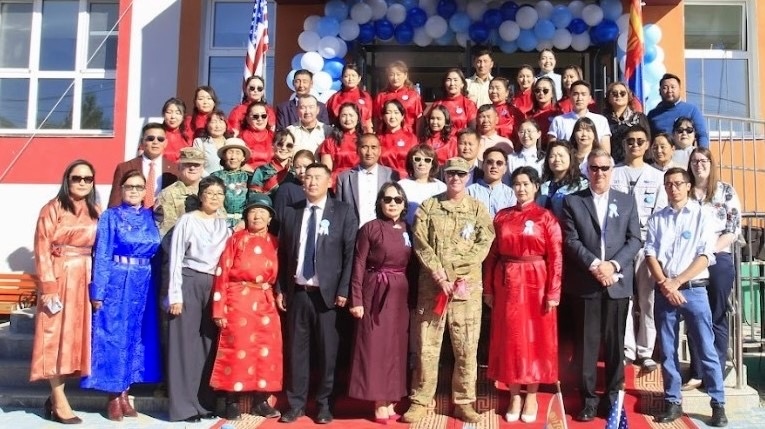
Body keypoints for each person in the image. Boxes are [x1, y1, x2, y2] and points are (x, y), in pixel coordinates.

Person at [403, 157, 495, 424]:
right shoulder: (429, 207)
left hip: (465, 290)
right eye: (451, 174)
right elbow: (420, 243)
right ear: (444, 176)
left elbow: (484, 242)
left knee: (466, 346)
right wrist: (438, 272)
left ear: (468, 177)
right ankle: (420, 399)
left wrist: (458, 271)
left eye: (461, 174)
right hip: (433, 289)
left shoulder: (478, 210)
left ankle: (464, 401)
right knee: (426, 346)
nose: (455, 178)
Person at [561, 149, 642, 422]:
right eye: (594, 168)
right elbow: (571, 241)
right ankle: (588, 401)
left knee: (615, 347)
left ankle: (613, 399)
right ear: (587, 171)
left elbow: (634, 240)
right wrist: (596, 265)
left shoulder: (627, 201)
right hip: (586, 284)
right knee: (587, 346)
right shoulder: (573, 202)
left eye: (605, 168)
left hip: (617, 284)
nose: (599, 173)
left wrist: (613, 266)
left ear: (612, 170)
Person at [275, 163, 358, 424]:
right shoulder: (291, 213)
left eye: (317, 178)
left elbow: (350, 255)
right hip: (298, 292)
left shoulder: (343, 212)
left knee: (328, 352)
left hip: (329, 296)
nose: (311, 182)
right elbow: (283, 254)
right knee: (297, 351)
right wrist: (281, 288)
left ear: (329, 182)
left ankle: (324, 404)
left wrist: (344, 289)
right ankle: (296, 403)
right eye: (307, 177)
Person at [645, 167, 727, 427]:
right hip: (665, 291)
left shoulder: (703, 215)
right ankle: (672, 401)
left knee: (705, 348)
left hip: (694, 289)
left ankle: (717, 403)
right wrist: (665, 284)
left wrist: (677, 283)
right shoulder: (658, 218)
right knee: (667, 350)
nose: (673, 188)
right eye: (668, 184)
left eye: (678, 183)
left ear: (688, 186)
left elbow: (706, 255)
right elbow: (650, 254)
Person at [484, 166, 562, 423]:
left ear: (536, 186)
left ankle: (531, 393)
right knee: (510, 338)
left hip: (536, 281)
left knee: (535, 338)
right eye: (517, 184)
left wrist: (553, 290)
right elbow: (492, 255)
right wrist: (488, 287)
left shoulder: (545, 217)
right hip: (507, 281)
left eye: (526, 183)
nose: (521, 188)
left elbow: (556, 257)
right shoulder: (502, 217)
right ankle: (514, 392)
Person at [81, 170, 161, 421]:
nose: (134, 191)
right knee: (113, 335)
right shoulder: (110, 217)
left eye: (139, 187)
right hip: (118, 279)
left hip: (144, 282)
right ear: (122, 189)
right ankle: (113, 395)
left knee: (135, 337)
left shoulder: (151, 217)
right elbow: (102, 254)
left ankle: (126, 391)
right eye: (129, 187)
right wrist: (99, 290)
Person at [30, 159, 100, 424]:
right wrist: (48, 287)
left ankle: (57, 396)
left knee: (75, 340)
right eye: (76, 178)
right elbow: (41, 248)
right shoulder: (52, 208)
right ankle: (59, 400)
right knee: (54, 337)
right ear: (66, 180)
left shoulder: (95, 210)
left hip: (85, 277)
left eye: (87, 179)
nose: (82, 183)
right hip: (59, 275)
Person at [209, 194, 283, 421]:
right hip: (239, 300)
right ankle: (231, 400)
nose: (258, 215)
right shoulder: (236, 239)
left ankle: (261, 400)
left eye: (263, 212)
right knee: (238, 348)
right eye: (253, 211)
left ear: (270, 218)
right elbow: (222, 273)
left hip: (265, 301)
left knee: (266, 350)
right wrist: (219, 309)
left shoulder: (275, 242)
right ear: (246, 215)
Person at [166, 176, 231, 422]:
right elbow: (175, 257)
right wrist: (175, 294)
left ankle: (203, 402)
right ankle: (183, 406)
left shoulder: (224, 225)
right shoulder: (187, 221)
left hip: (214, 284)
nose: (214, 198)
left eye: (219, 194)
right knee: (184, 345)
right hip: (189, 279)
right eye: (210, 193)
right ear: (201, 196)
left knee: (207, 343)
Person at [348, 182, 414, 423]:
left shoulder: (408, 229)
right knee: (375, 346)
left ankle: (390, 398)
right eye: (387, 199)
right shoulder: (369, 228)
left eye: (398, 199)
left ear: (404, 204)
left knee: (395, 348)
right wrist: (356, 299)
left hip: (400, 294)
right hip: (375, 290)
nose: (393, 203)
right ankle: (378, 401)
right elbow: (358, 265)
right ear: (380, 203)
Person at [683, 148, 742, 392]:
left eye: (703, 160)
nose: (699, 165)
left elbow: (733, 227)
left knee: (716, 313)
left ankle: (714, 371)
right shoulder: (685, 189)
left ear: (711, 163)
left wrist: (710, 254)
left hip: (718, 256)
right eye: (694, 161)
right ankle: (697, 370)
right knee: (696, 315)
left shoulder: (724, 190)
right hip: (689, 258)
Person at [610, 125, 668, 372]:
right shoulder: (614, 173)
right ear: (624, 145)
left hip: (646, 246)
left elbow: (660, 214)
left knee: (647, 300)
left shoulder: (657, 177)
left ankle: (645, 351)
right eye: (630, 141)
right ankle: (627, 349)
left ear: (647, 145)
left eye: (640, 141)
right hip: (620, 246)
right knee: (624, 299)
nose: (634, 145)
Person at [336, 133, 399, 227]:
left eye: (373, 147)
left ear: (379, 150)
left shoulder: (391, 175)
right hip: (355, 233)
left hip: (384, 231)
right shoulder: (344, 178)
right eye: (364, 147)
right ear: (357, 150)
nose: (369, 152)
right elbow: (339, 211)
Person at [108, 122, 178, 208]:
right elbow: (115, 202)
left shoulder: (175, 169)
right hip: (132, 218)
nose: (155, 142)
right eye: (150, 138)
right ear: (142, 142)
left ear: (165, 143)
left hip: (162, 219)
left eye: (160, 139)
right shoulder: (124, 168)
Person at [154, 147, 206, 237]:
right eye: (188, 164)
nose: (192, 168)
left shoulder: (210, 191)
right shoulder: (167, 195)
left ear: (202, 168)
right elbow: (166, 231)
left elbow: (220, 219)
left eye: (197, 165)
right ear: (179, 167)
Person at [647, 73, 709, 148]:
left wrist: (702, 154)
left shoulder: (691, 109)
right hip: (661, 156)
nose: (669, 90)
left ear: (679, 89)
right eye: (665, 88)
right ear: (660, 91)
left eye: (673, 87)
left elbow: (702, 135)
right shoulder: (653, 114)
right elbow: (648, 139)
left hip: (686, 157)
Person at [549, 80, 611, 152]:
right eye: (575, 94)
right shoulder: (559, 121)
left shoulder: (601, 120)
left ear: (590, 98)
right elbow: (552, 149)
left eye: (583, 94)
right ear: (570, 97)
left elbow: (605, 152)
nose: (579, 98)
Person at [537, 140, 589, 219]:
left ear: (570, 158)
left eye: (561, 155)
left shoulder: (581, 185)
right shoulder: (542, 185)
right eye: (552, 156)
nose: (557, 159)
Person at [398, 144, 446, 225]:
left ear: (432, 164)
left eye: (427, 160)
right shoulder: (401, 186)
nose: (421, 163)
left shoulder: (441, 187)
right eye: (417, 159)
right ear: (411, 162)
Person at [603, 82, 650, 164]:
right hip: (609, 165)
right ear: (609, 98)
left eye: (622, 93)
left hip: (634, 163)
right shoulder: (603, 120)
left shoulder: (639, 118)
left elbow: (647, 142)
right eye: (614, 93)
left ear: (629, 97)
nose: (618, 96)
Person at [211, 138, 252, 227]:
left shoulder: (249, 177)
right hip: (219, 223)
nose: (233, 157)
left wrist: (245, 221)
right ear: (224, 155)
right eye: (230, 152)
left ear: (243, 157)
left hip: (245, 223)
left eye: (238, 153)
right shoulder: (215, 177)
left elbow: (253, 200)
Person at [374, 60, 423, 133]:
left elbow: (419, 118)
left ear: (405, 75)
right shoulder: (381, 96)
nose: (395, 78)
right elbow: (376, 119)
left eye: (398, 74)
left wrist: (418, 138)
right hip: (385, 136)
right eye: (391, 75)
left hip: (408, 136)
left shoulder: (413, 95)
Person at [467, 147, 516, 218]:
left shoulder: (511, 194)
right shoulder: (470, 191)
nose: (494, 166)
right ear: (483, 165)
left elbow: (511, 221)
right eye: (490, 162)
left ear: (505, 169)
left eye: (499, 163)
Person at [326, 62, 374, 133]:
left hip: (361, 134)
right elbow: (329, 120)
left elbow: (368, 120)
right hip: (339, 134)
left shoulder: (365, 97)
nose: (350, 79)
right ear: (342, 78)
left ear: (359, 78)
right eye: (346, 76)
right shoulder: (335, 98)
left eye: (353, 76)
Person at [318, 102, 362, 178]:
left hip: (360, 180)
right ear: (339, 118)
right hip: (337, 182)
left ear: (358, 118)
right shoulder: (330, 141)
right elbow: (326, 171)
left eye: (351, 115)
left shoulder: (364, 139)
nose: (348, 119)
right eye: (344, 115)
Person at [378, 99, 419, 179]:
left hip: (406, 181)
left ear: (402, 116)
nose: (392, 117)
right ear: (383, 116)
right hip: (384, 180)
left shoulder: (411, 138)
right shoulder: (378, 139)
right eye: (388, 113)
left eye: (396, 113)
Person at [249, 129, 296, 197]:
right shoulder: (261, 170)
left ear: (293, 148)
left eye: (289, 145)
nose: (284, 148)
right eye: (280, 144)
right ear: (273, 146)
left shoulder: (295, 171)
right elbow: (254, 196)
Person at [430, 68, 478, 132]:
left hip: (462, 140)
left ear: (462, 84)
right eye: (448, 80)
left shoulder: (469, 104)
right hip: (442, 141)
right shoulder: (437, 104)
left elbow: (473, 129)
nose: (452, 83)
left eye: (455, 80)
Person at [273, 150, 314, 223]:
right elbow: (278, 218)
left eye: (306, 166)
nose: (302, 171)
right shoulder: (286, 189)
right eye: (297, 167)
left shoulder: (320, 188)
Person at [239, 101, 275, 170]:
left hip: (272, 176)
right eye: (255, 116)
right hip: (248, 176)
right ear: (248, 119)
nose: (260, 119)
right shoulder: (241, 138)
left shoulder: (275, 137)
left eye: (263, 116)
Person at [192, 109, 229, 176]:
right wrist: (211, 180)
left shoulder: (230, 143)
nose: (217, 126)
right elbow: (197, 165)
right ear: (207, 125)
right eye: (213, 122)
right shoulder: (200, 142)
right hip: (207, 182)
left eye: (221, 122)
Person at [488, 77, 525, 142]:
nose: (494, 91)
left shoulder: (514, 112)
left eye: (498, 88)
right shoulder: (485, 110)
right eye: (491, 88)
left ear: (507, 92)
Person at [528, 77, 563, 143]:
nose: (541, 93)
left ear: (552, 93)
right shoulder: (529, 115)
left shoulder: (559, 114)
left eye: (545, 91)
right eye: (537, 90)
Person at [161, 97, 191, 162]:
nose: (173, 117)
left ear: (183, 117)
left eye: (177, 113)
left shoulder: (188, 134)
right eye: (169, 112)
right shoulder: (155, 133)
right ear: (163, 114)